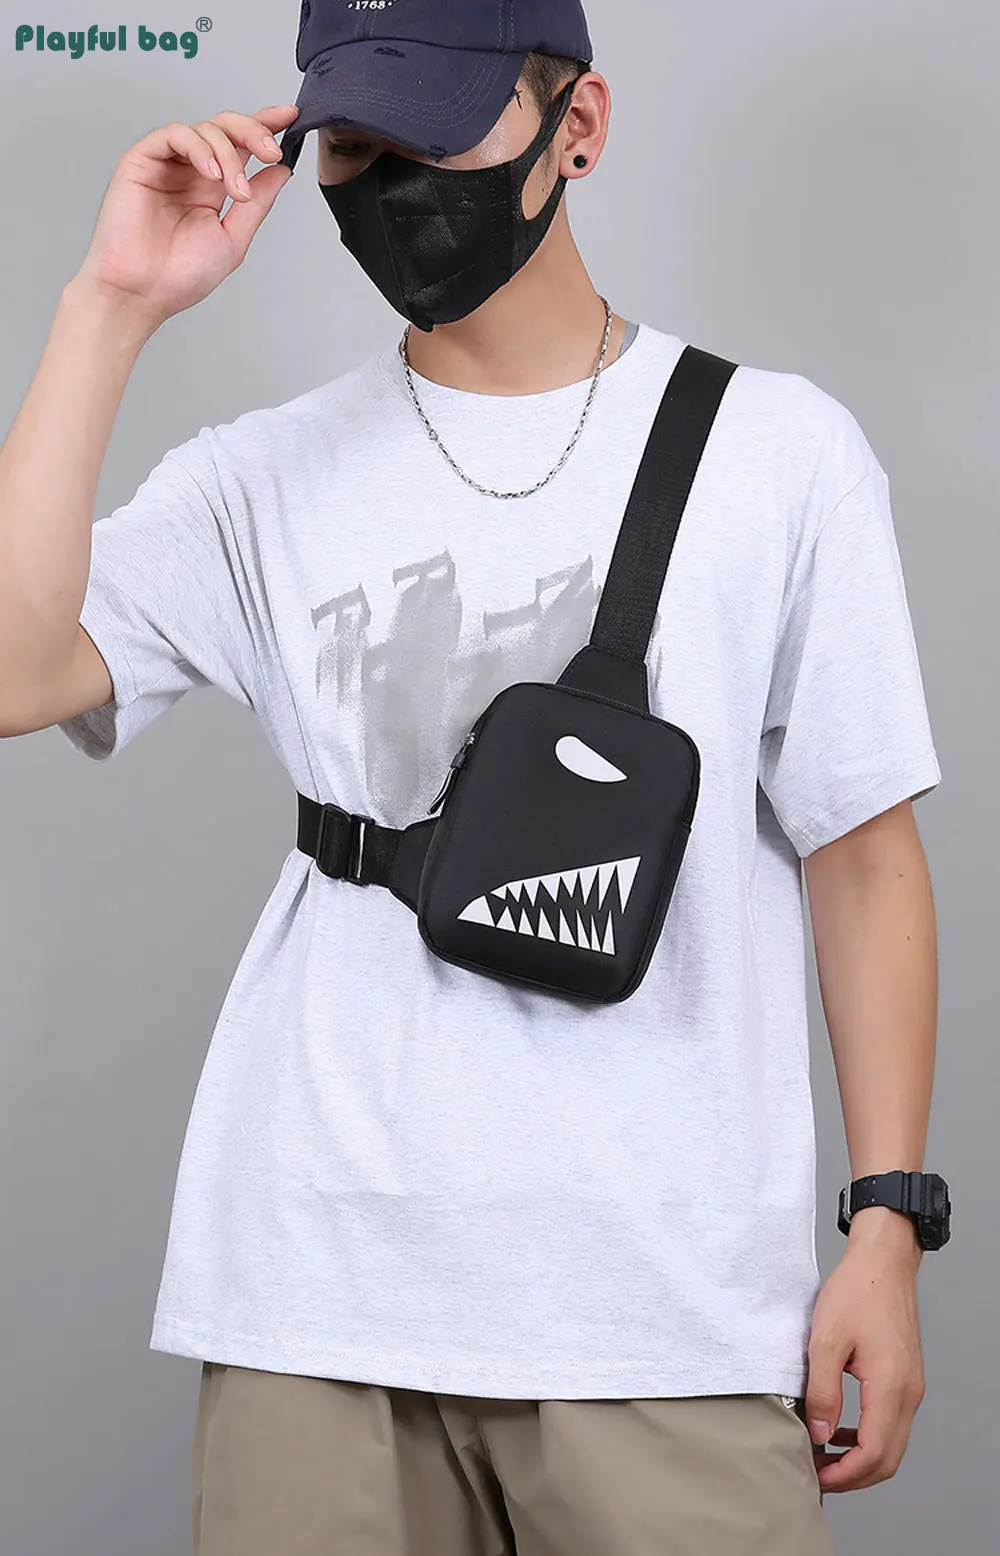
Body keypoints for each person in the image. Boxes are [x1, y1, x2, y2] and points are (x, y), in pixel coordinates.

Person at [0, 2, 947, 1552]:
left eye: (433, 132)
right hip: (313, 1297)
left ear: (580, 127)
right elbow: (12, 670)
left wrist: (889, 1225)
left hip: (666, 1306)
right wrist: (109, 305)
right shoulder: (260, 476)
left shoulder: (781, 453)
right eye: (352, 146)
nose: (392, 184)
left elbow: (864, 855)